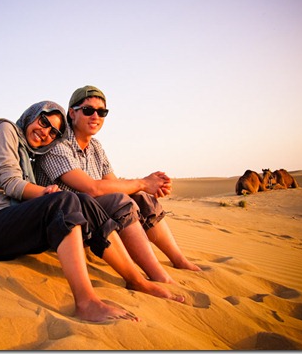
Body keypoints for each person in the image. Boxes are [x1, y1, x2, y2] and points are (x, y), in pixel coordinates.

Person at [0, 101, 181, 324]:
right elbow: (12, 183)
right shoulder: (6, 130)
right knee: (64, 200)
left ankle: (136, 280)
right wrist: (47, 193)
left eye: (53, 132)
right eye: (43, 122)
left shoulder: (30, 153)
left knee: (82, 201)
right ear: (32, 115)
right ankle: (86, 302)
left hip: (9, 227)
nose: (45, 132)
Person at [35, 86, 201, 286]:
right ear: (72, 113)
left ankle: (179, 260)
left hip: (96, 221)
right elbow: (92, 189)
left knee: (142, 199)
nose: (95, 116)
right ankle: (157, 276)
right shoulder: (58, 147)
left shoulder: (95, 147)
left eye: (101, 112)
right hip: (66, 225)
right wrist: (142, 182)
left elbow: (113, 183)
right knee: (120, 200)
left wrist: (148, 187)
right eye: (88, 110)